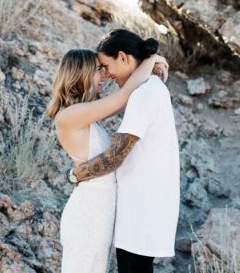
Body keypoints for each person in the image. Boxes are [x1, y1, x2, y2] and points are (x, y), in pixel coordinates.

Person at [46, 46, 168, 273]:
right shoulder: (68, 116)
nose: (104, 75)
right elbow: (123, 96)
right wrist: (150, 60)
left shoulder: (85, 112)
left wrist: (150, 70)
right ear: (79, 74)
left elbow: (127, 101)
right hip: (88, 214)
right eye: (97, 70)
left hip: (101, 212)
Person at [69, 29, 181, 273]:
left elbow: (114, 157)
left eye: (106, 66)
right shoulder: (152, 88)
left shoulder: (144, 95)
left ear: (123, 57)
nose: (106, 75)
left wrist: (76, 175)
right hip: (146, 206)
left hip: (140, 211)